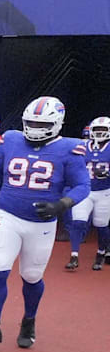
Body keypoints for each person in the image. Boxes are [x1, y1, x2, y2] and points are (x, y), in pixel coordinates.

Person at [0, 96, 90, 352]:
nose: (34, 128)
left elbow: (83, 185)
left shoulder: (70, 148)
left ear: (56, 123)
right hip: (7, 216)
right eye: (31, 122)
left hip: (40, 223)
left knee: (32, 277)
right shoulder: (11, 139)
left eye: (41, 123)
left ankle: (29, 320)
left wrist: (62, 204)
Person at [66, 116, 110, 270]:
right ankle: (74, 255)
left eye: (103, 130)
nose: (99, 133)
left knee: (101, 225)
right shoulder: (82, 145)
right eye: (97, 129)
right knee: (78, 222)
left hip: (105, 191)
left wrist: (107, 174)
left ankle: (101, 252)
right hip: (84, 190)